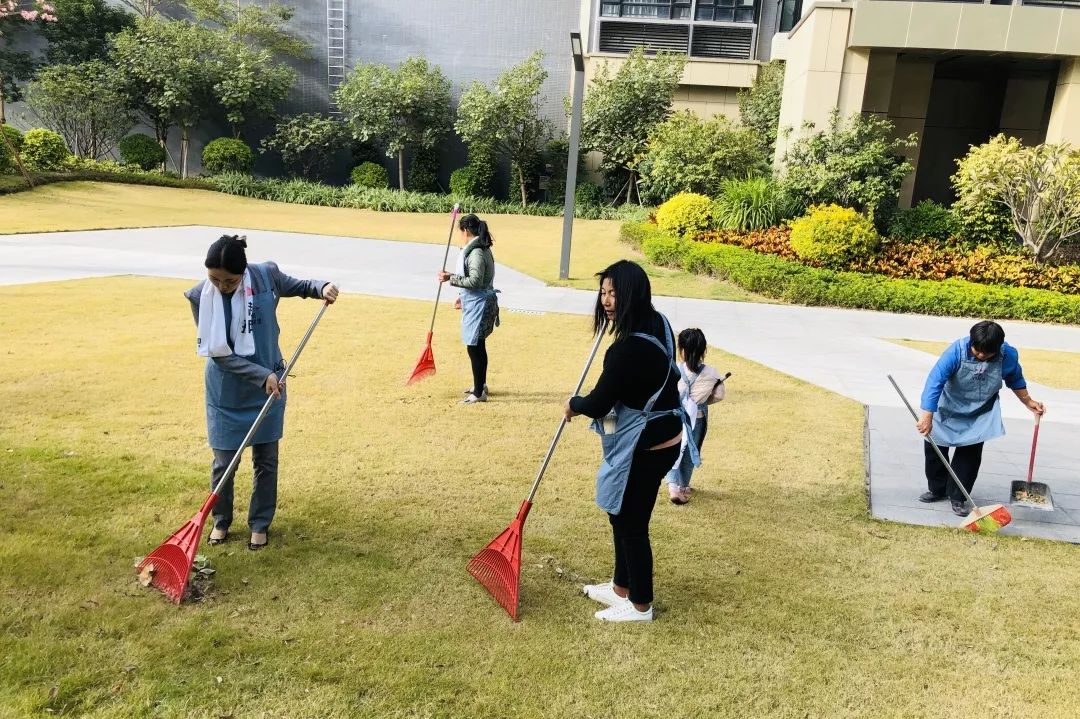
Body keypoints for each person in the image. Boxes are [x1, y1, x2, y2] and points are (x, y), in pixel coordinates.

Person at [185, 235, 338, 551]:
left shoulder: (266, 275)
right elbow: (220, 355)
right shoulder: (200, 295)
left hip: (270, 388)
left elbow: (299, 285)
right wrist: (261, 375)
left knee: (266, 460)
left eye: (229, 281)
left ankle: (259, 524)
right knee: (224, 462)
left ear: (243, 273)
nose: (221, 286)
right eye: (215, 278)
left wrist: (321, 287)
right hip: (227, 392)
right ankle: (221, 520)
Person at [564, 260, 695, 623]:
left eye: (614, 293)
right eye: (603, 293)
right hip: (664, 434)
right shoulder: (659, 321)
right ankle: (621, 586)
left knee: (631, 522)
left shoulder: (625, 350)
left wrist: (573, 405)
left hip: (649, 445)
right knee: (620, 513)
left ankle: (641, 605)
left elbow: (598, 403)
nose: (606, 301)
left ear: (633, 295)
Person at [916, 320, 1044, 516]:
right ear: (971, 343)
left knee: (970, 453)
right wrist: (927, 416)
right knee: (935, 448)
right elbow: (935, 381)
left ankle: (958, 497)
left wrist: (1028, 401)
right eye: (977, 352)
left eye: (988, 353)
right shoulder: (955, 352)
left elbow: (1015, 379)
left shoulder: (1007, 355)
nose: (982, 356)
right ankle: (937, 489)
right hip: (948, 405)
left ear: (999, 347)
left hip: (980, 410)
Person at [437, 214, 499, 404]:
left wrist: (450, 279)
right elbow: (474, 279)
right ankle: (480, 385)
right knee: (477, 346)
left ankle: (479, 392)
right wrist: (461, 295)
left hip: (481, 305)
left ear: (466, 231)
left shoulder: (477, 252)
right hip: (476, 303)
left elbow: (475, 281)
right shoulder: (479, 249)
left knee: (475, 347)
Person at [665, 328, 720, 505]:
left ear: (681, 349)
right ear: (703, 350)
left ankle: (673, 486)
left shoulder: (674, 369)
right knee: (690, 451)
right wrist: (703, 400)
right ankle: (683, 486)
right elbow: (719, 395)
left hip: (675, 417)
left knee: (672, 449)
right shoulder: (711, 373)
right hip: (698, 418)